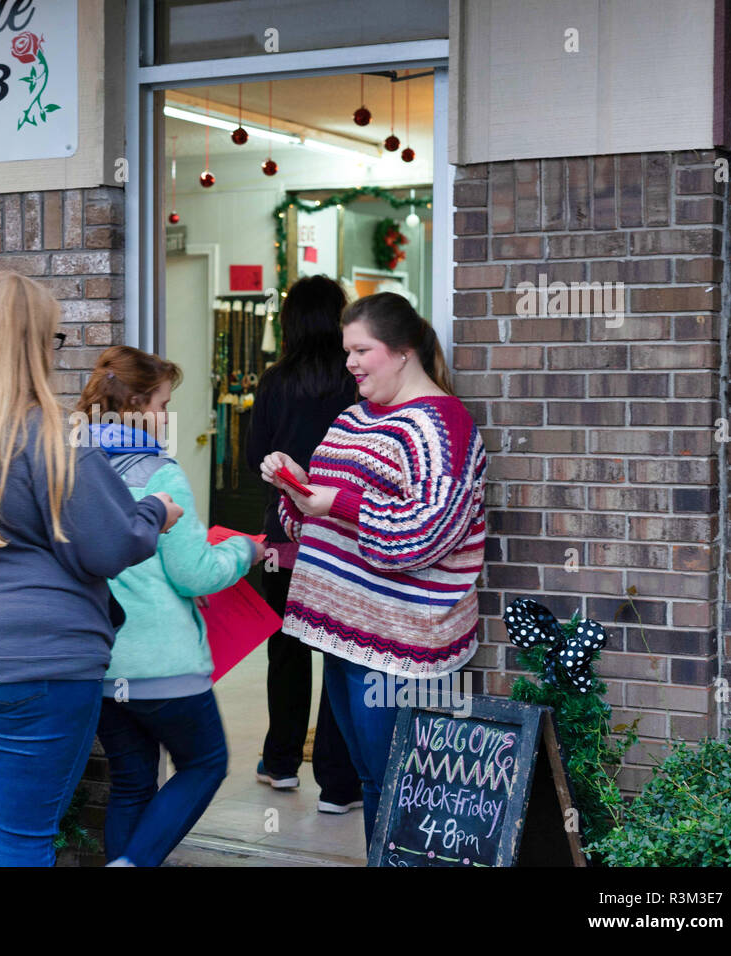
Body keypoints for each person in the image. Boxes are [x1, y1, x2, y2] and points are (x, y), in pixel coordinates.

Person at [0, 271, 183, 867]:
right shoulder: (51, 436)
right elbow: (107, 546)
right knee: (19, 840)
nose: (54, 352)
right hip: (35, 665)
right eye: (53, 339)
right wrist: (155, 511)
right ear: (31, 345)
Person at [260, 292, 487, 848]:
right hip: (341, 631)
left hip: (396, 638)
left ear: (404, 352)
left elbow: (429, 530)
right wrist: (294, 484)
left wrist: (332, 502)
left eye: (362, 350)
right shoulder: (353, 416)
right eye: (347, 351)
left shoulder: (443, 425)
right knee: (370, 778)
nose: (350, 363)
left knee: (396, 782)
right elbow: (312, 516)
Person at [79, 346, 264, 867]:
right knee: (205, 763)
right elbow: (193, 574)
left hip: (101, 661)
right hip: (161, 664)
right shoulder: (160, 474)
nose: (165, 417)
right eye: (161, 404)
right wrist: (244, 550)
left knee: (132, 783)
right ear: (135, 404)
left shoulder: (69, 468)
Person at [245, 275, 363, 814]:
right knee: (340, 651)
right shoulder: (355, 379)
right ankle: (339, 786)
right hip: (342, 534)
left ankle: (281, 763)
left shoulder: (274, 381)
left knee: (287, 649)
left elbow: (255, 460)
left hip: (285, 535)